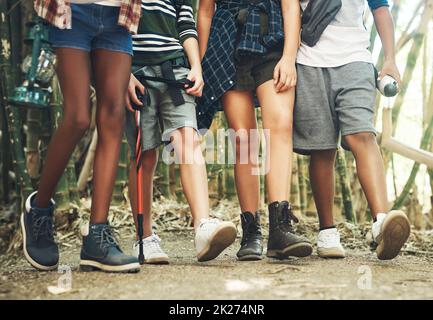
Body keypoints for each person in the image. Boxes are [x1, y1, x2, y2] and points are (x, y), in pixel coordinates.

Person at [21, 0, 142, 273]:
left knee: (113, 117)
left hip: (118, 16)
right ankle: (38, 210)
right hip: (71, 12)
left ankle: (97, 235)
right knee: (78, 117)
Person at [293, 0, 410, 260]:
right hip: (308, 59)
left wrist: (390, 58)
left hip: (356, 58)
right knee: (321, 148)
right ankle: (327, 231)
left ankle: (381, 221)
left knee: (362, 135)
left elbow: (380, 8)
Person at [197, 0, 313, 261]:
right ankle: (251, 232)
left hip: (272, 37)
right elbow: (204, 11)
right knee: (244, 139)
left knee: (281, 123)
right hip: (226, 40)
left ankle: (281, 228)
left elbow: (290, 6)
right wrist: (203, 64)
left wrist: (289, 57)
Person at [125, 0, 237, 264]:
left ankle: (202, 226)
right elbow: (112, 26)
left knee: (188, 139)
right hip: (135, 72)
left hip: (176, 70)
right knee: (145, 153)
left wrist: (196, 66)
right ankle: (145, 237)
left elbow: (186, 25)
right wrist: (121, 73)